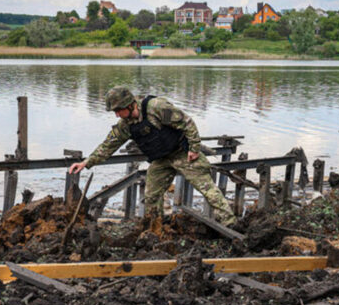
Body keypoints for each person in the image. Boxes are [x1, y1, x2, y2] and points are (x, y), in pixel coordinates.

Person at [69, 86, 236, 227]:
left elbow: (187, 122)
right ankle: (156, 229)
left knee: (207, 189)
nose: (117, 115)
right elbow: (108, 146)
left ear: (129, 104)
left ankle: (231, 224)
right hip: (161, 160)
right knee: (151, 196)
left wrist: (194, 148)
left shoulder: (156, 107)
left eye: (118, 110)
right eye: (115, 111)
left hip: (183, 153)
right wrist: (86, 163)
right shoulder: (125, 126)